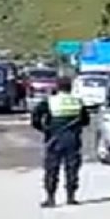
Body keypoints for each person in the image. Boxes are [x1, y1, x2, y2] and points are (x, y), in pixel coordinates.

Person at [30, 75, 89, 208]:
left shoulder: (50, 102)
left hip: (54, 139)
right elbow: (86, 120)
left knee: (52, 168)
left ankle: (51, 198)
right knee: (72, 167)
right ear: (70, 88)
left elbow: (35, 117)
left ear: (57, 87)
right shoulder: (77, 102)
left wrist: (44, 129)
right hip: (73, 139)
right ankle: (71, 197)